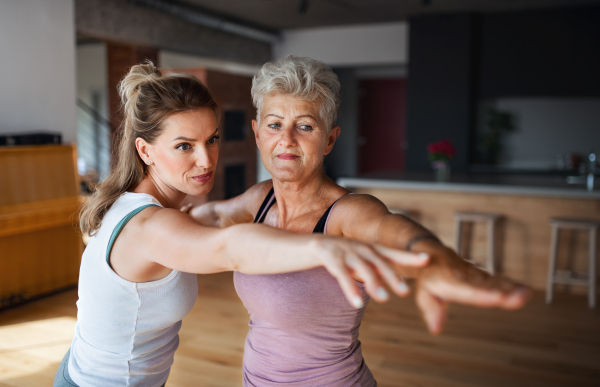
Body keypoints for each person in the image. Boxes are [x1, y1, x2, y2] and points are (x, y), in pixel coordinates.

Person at [53, 63, 429, 387]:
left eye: (212, 139)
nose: (205, 160)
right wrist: (322, 246)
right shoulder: (152, 225)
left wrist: (432, 255)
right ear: (145, 150)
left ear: (330, 139)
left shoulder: (140, 207)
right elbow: (229, 247)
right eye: (184, 146)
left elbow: (211, 218)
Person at [186, 56, 532, 386]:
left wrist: (433, 259)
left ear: (330, 139)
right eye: (275, 124)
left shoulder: (345, 213)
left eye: (305, 126)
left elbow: (387, 228)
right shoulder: (260, 199)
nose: (286, 139)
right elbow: (215, 214)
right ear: (258, 133)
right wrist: (155, 207)